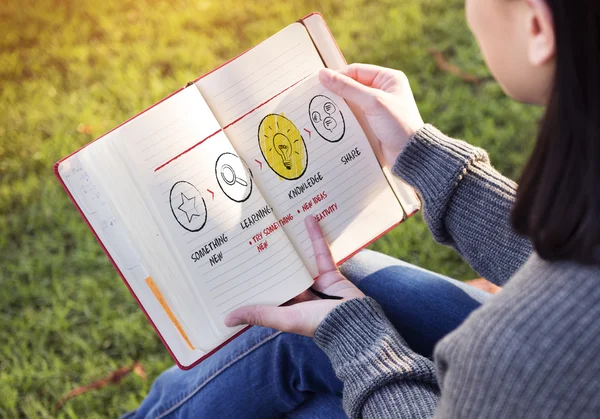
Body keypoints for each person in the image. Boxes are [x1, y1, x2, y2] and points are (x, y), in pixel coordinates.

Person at [125, 0, 600, 417]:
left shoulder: (516, 348)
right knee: (336, 288)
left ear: (537, 27)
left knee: (304, 355)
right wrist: (427, 159)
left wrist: (360, 340)